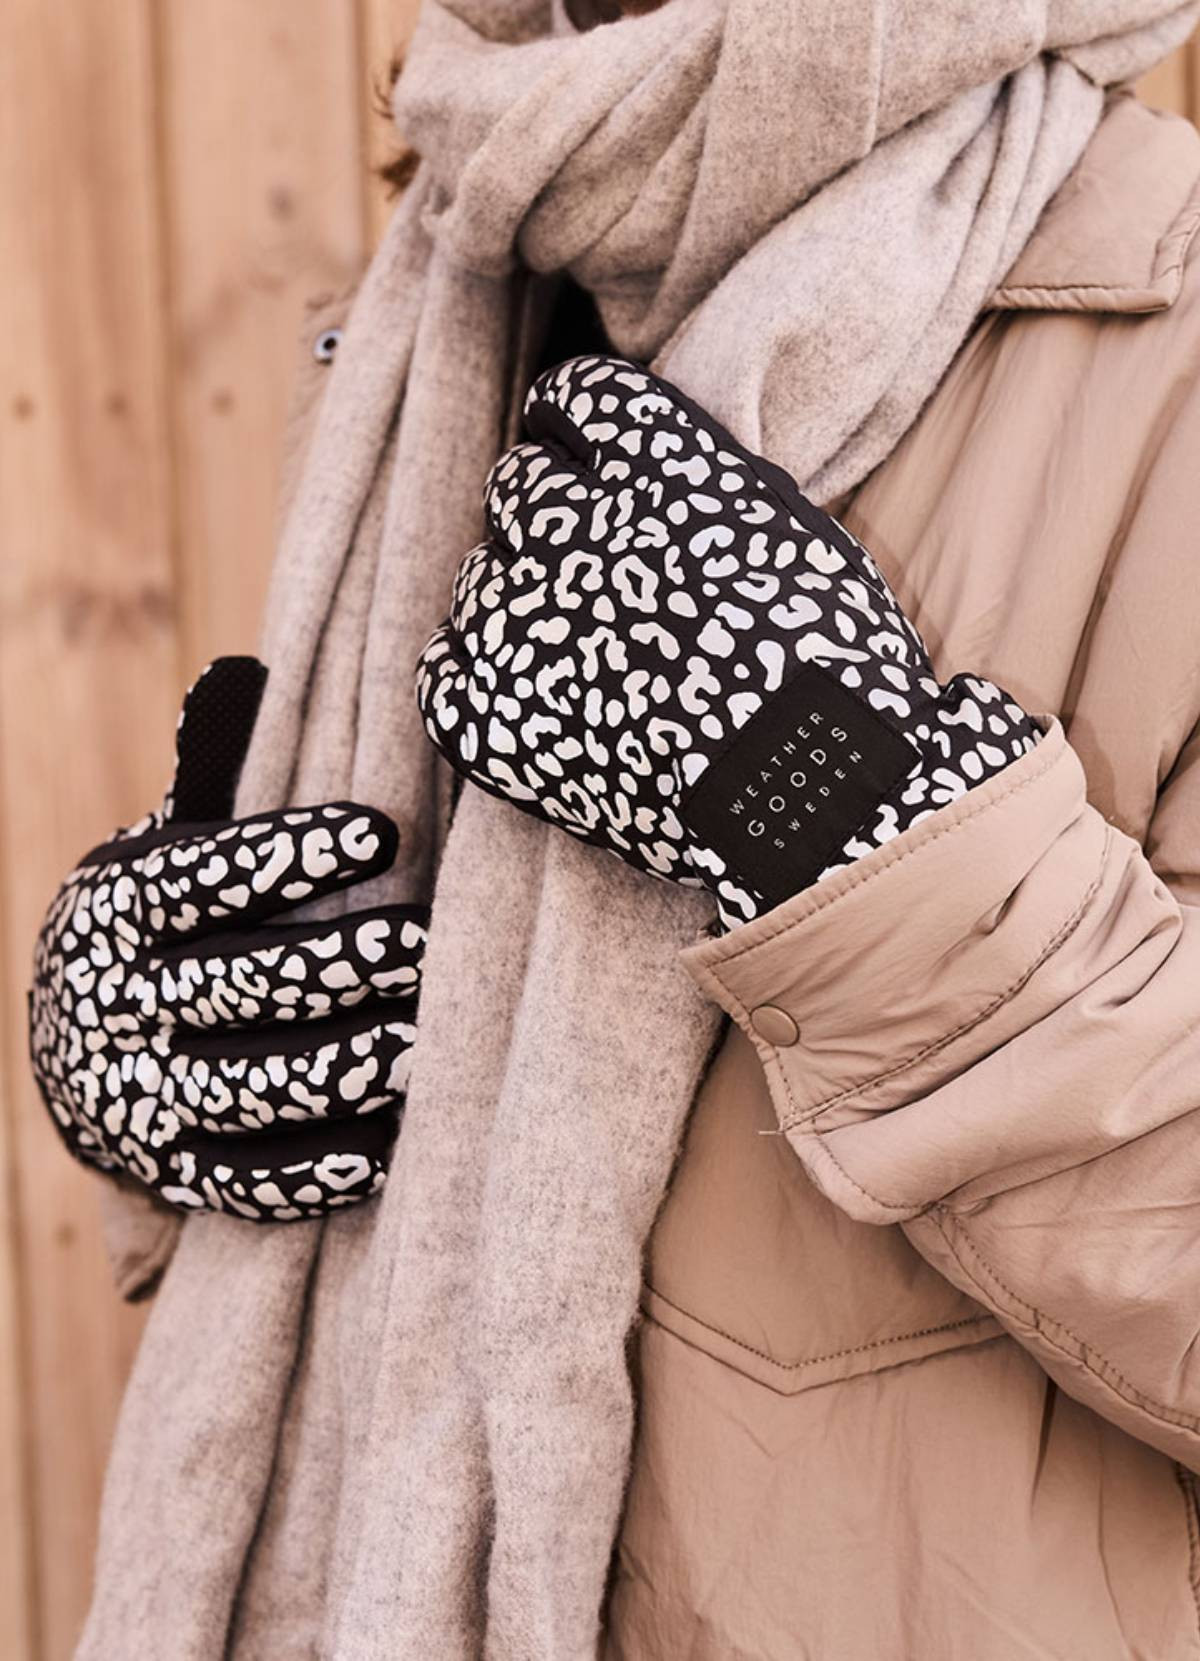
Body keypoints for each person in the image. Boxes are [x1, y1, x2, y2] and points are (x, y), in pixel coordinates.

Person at [36, 2, 1200, 1656]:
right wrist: (168, 1061)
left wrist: (827, 800)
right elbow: (380, 1174)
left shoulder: (1171, 345)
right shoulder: (443, 316)